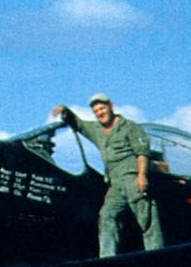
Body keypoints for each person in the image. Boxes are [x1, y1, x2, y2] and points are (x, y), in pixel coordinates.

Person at [55, 93, 163, 257]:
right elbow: (79, 124)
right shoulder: (96, 130)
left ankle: (156, 256)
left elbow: (142, 154)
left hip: (132, 177)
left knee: (146, 219)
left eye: (102, 108)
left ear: (110, 106)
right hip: (115, 183)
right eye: (96, 111)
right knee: (107, 216)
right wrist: (65, 111)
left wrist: (142, 176)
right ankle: (107, 258)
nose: (100, 113)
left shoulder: (129, 126)